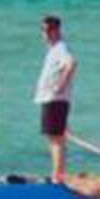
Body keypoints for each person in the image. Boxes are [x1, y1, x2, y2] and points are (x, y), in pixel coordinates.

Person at [33, 16, 75, 182]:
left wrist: (61, 85)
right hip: (52, 99)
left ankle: (57, 177)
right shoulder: (54, 50)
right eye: (43, 30)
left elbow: (71, 63)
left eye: (48, 30)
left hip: (54, 99)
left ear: (56, 30)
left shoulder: (60, 48)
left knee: (55, 139)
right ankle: (58, 174)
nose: (45, 34)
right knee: (55, 138)